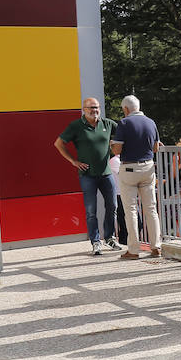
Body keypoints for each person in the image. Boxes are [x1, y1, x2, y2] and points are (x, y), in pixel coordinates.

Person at [54, 97, 121, 256]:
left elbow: (125, 134)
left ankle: (110, 238)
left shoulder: (108, 124)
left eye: (96, 107)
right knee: (91, 211)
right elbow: (58, 143)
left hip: (106, 174)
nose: (94, 110)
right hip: (87, 176)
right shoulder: (76, 126)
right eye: (91, 108)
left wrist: (153, 139)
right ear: (83, 109)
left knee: (112, 206)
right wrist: (73, 161)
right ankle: (95, 241)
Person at [111, 95, 162, 259]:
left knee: (130, 210)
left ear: (126, 109)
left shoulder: (124, 123)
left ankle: (133, 250)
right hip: (148, 167)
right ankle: (156, 247)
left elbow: (117, 150)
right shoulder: (151, 122)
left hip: (129, 169)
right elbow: (155, 147)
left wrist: (113, 145)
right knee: (151, 208)